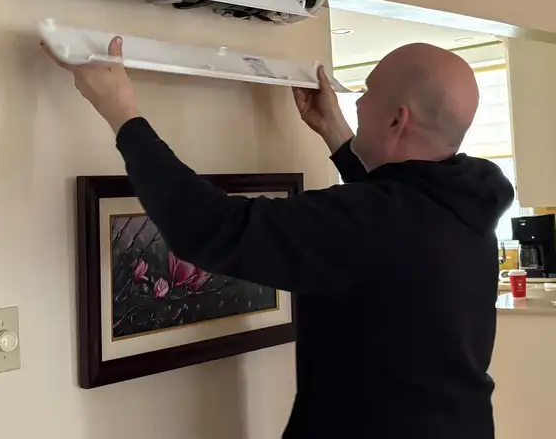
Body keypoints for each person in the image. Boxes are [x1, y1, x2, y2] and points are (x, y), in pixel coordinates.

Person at [43, 36, 514, 439]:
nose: (359, 101)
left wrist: (122, 112)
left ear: (397, 120)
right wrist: (337, 135)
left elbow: (210, 227)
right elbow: (392, 223)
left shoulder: (375, 222)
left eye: (367, 91)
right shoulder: (469, 207)